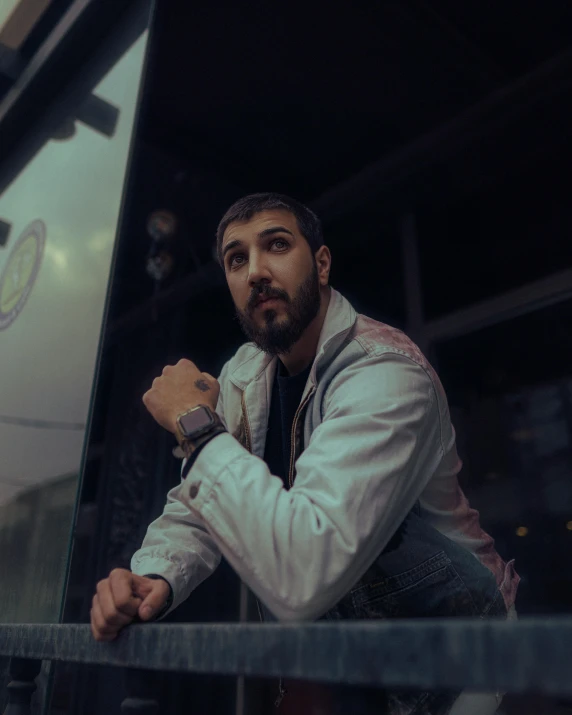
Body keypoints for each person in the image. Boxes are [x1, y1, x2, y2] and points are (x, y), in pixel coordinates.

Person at [90, 193, 519, 714]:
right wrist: (154, 575)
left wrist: (195, 425)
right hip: (338, 655)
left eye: (276, 245)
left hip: (452, 658)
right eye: (236, 259)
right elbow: (200, 503)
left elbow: (304, 570)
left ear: (320, 263)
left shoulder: (385, 371)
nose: (256, 272)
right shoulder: (244, 375)